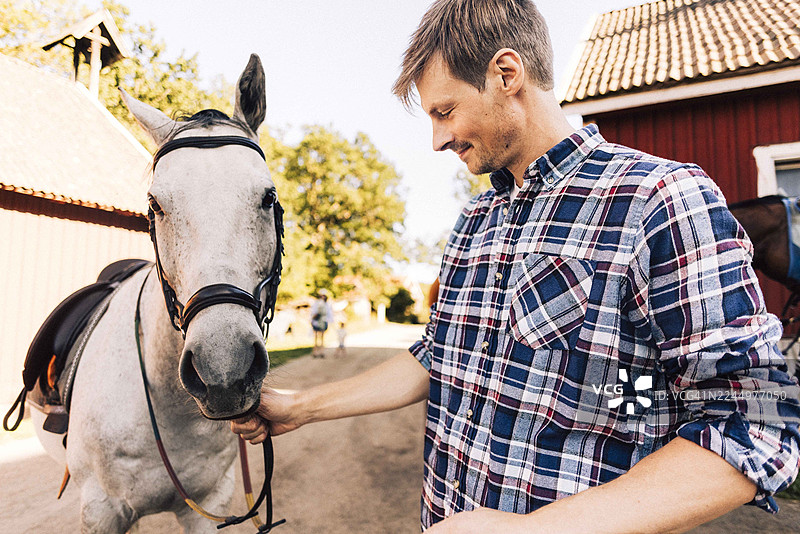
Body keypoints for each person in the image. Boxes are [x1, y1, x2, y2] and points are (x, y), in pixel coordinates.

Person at [233, 1, 800, 531]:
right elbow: (437, 359)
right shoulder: (474, 220)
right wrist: (298, 407)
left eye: (445, 111)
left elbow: (752, 427)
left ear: (507, 74)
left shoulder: (660, 199)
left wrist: (534, 529)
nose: (436, 140)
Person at [310, 289, 333, 358]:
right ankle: (315, 352)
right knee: (316, 337)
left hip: (323, 321)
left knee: (322, 337)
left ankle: (321, 352)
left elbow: (329, 313)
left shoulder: (327, 304)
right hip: (317, 321)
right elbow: (313, 312)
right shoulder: (316, 303)